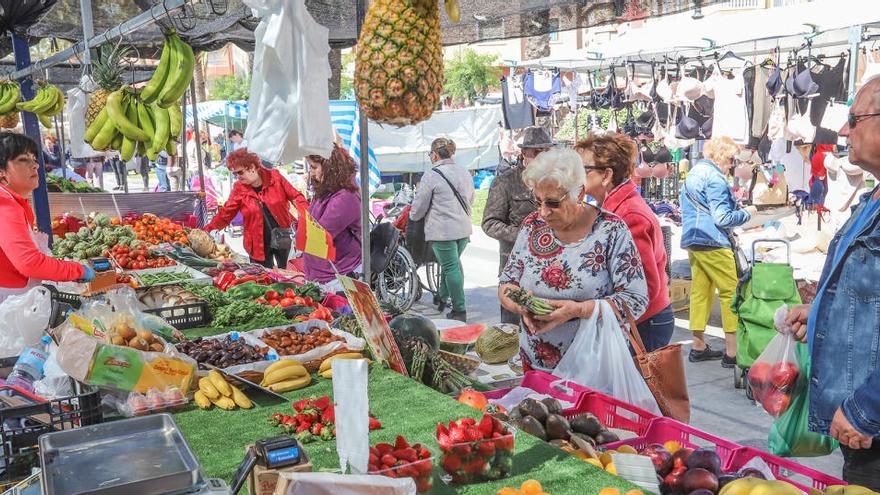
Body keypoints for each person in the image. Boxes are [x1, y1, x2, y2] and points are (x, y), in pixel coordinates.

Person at [784, 77, 880, 490]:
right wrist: (823, 309)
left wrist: (868, 409)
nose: (843, 130)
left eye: (854, 119)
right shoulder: (872, 199)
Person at [497, 148, 648, 372]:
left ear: (579, 193)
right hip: (536, 365)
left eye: (553, 203)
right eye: (537, 201)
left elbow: (635, 300)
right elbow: (506, 283)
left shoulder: (611, 231)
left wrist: (577, 310)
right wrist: (519, 305)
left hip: (594, 369)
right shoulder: (532, 226)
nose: (543, 213)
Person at [578, 133, 673, 352]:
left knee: (636, 386)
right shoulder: (610, 207)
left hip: (644, 323)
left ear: (606, 175)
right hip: (632, 320)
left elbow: (645, 286)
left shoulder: (628, 215)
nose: (576, 175)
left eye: (583, 169)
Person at [680, 136, 757, 366]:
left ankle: (698, 345)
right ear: (723, 156)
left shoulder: (694, 173)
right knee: (730, 293)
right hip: (713, 241)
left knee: (700, 292)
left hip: (693, 240)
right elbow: (722, 218)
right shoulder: (715, 178)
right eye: (732, 158)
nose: (733, 164)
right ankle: (732, 353)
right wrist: (749, 213)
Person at [0, 132, 94, 302]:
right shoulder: (4, 205)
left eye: (34, 158)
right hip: (8, 304)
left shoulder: (12, 201)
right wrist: (77, 270)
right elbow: (29, 263)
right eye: (23, 159)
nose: (34, 165)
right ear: (1, 171)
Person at [483, 126, 553, 324]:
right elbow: (489, 223)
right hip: (514, 271)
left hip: (548, 270)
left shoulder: (555, 182)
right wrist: (524, 234)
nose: (544, 158)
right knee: (512, 333)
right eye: (538, 153)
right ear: (525, 154)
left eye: (547, 152)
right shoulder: (505, 182)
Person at [203, 148, 308, 268]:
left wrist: (308, 217)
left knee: (289, 273)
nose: (238, 177)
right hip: (257, 244)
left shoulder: (275, 177)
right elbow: (225, 215)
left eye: (240, 172)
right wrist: (206, 231)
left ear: (252, 167)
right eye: (235, 174)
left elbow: (296, 196)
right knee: (263, 279)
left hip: (283, 237)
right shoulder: (238, 189)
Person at [410, 138, 475, 322]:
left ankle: (459, 309)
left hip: (443, 231)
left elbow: (420, 205)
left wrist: (413, 217)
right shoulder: (464, 172)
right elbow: (471, 199)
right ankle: (441, 296)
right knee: (450, 267)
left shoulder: (431, 175)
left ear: (435, 154)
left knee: (450, 267)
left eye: (430, 154)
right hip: (463, 229)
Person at [304, 145, 363, 292]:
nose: (311, 173)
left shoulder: (345, 198)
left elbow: (320, 235)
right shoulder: (325, 192)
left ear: (330, 167)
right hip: (321, 276)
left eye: (314, 167)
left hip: (338, 279)